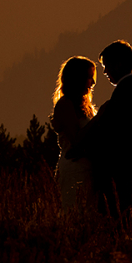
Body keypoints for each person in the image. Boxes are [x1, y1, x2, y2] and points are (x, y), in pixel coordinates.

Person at [68, 39, 132, 213]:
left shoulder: (125, 93)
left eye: (107, 65)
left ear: (118, 64)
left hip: (120, 177)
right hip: (125, 175)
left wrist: (82, 151)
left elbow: (111, 135)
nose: (104, 71)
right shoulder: (131, 90)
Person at [50, 56, 97, 211]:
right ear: (78, 78)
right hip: (74, 169)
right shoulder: (65, 105)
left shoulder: (85, 106)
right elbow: (76, 140)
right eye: (90, 77)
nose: (93, 82)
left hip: (87, 169)